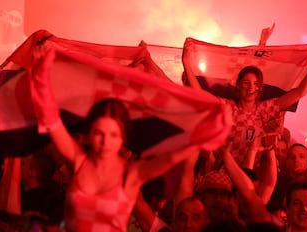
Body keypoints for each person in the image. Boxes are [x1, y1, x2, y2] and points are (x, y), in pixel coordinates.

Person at [29, 42, 197, 232]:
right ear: (88, 135)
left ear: (123, 137)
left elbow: (173, 157)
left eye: (113, 135)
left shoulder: (131, 174)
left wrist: (210, 126)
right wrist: (41, 74)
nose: (105, 141)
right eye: (99, 133)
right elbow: (51, 120)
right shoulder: (79, 159)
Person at [182, 32, 307, 164]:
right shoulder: (228, 107)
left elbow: (300, 92)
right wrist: (187, 63)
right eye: (246, 83)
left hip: (254, 176)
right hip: (227, 173)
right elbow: (200, 94)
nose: (251, 87)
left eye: (255, 83)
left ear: (260, 87)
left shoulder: (265, 109)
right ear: (238, 85)